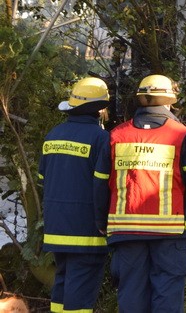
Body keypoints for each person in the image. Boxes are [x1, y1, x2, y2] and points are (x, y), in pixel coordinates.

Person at [94, 74, 186, 313]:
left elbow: (100, 182)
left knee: (130, 293)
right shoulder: (182, 135)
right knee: (168, 293)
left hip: (126, 231)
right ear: (170, 101)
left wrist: (100, 220)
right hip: (170, 233)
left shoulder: (116, 136)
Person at [38, 76, 111, 313]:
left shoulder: (53, 134)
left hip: (56, 227)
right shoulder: (101, 139)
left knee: (63, 282)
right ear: (99, 109)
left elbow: (43, 179)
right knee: (81, 292)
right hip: (86, 231)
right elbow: (104, 184)